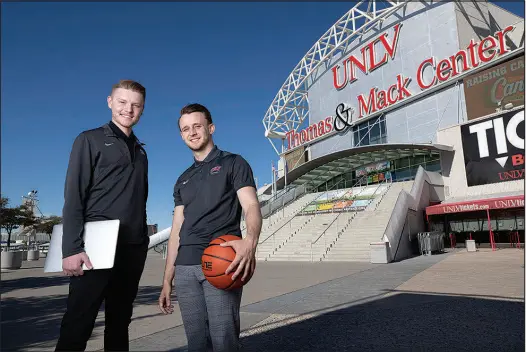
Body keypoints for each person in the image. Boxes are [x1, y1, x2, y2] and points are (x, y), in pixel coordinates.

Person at [158, 103, 262, 352]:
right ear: (181, 135)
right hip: (184, 268)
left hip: (221, 261)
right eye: (185, 129)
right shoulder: (182, 179)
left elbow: (251, 206)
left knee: (224, 341)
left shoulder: (234, 163)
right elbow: (176, 232)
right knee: (195, 343)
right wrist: (166, 280)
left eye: (197, 126)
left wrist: (250, 242)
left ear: (211, 128)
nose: (192, 132)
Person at [55, 79, 150, 351]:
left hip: (131, 248)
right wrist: (71, 248)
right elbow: (74, 196)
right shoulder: (89, 140)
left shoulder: (141, 152)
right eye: (122, 102)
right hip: (95, 245)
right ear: (110, 102)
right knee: (78, 323)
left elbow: (139, 201)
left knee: (120, 324)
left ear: (142, 109)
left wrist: (142, 242)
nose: (128, 110)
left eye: (135, 105)